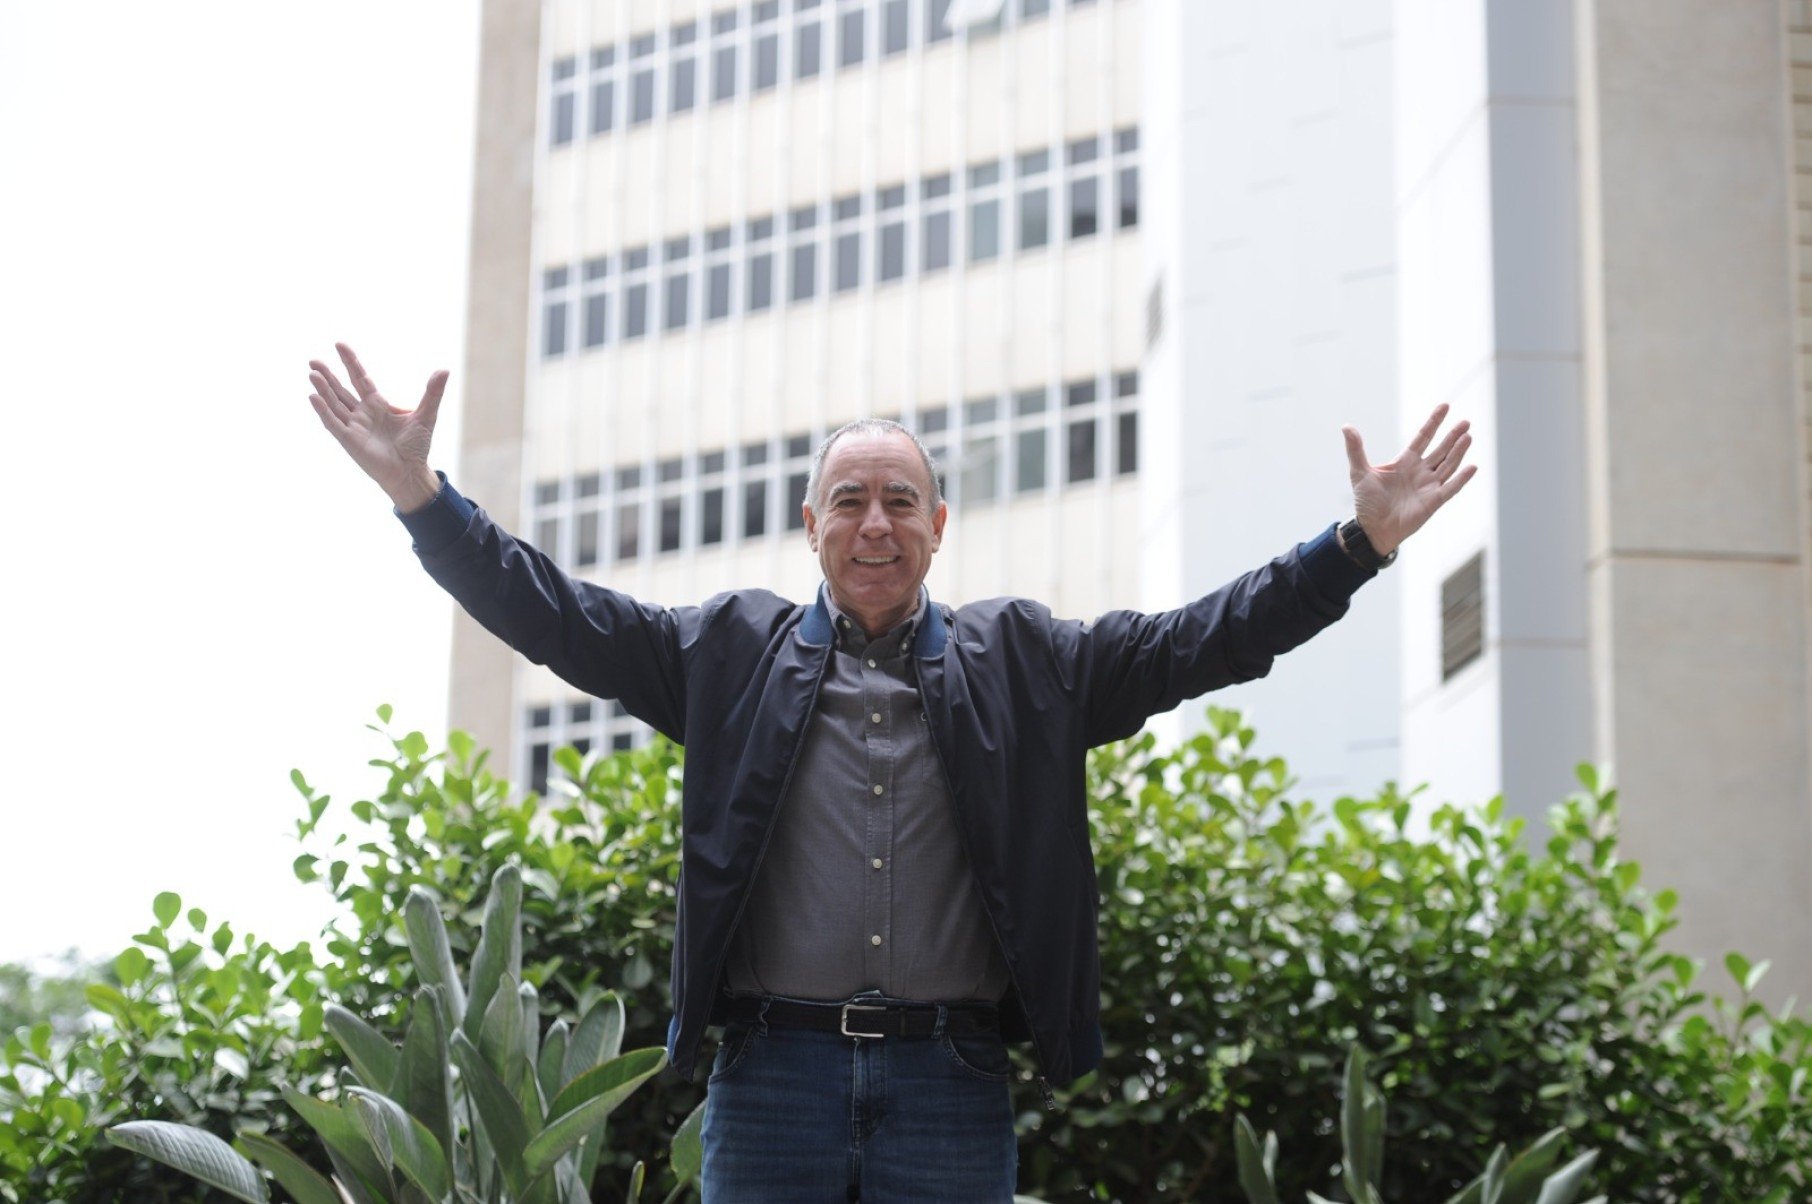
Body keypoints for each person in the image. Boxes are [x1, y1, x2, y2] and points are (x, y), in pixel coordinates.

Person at [307, 343, 1475, 1203]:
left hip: (947, 1082)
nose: (877, 523)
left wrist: (1355, 547)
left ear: (939, 524)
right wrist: (424, 501)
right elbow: (554, 614)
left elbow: (1203, 641)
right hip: (772, 1077)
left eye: (901, 502)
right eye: (852, 501)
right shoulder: (724, 655)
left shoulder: (1029, 662)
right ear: (811, 522)